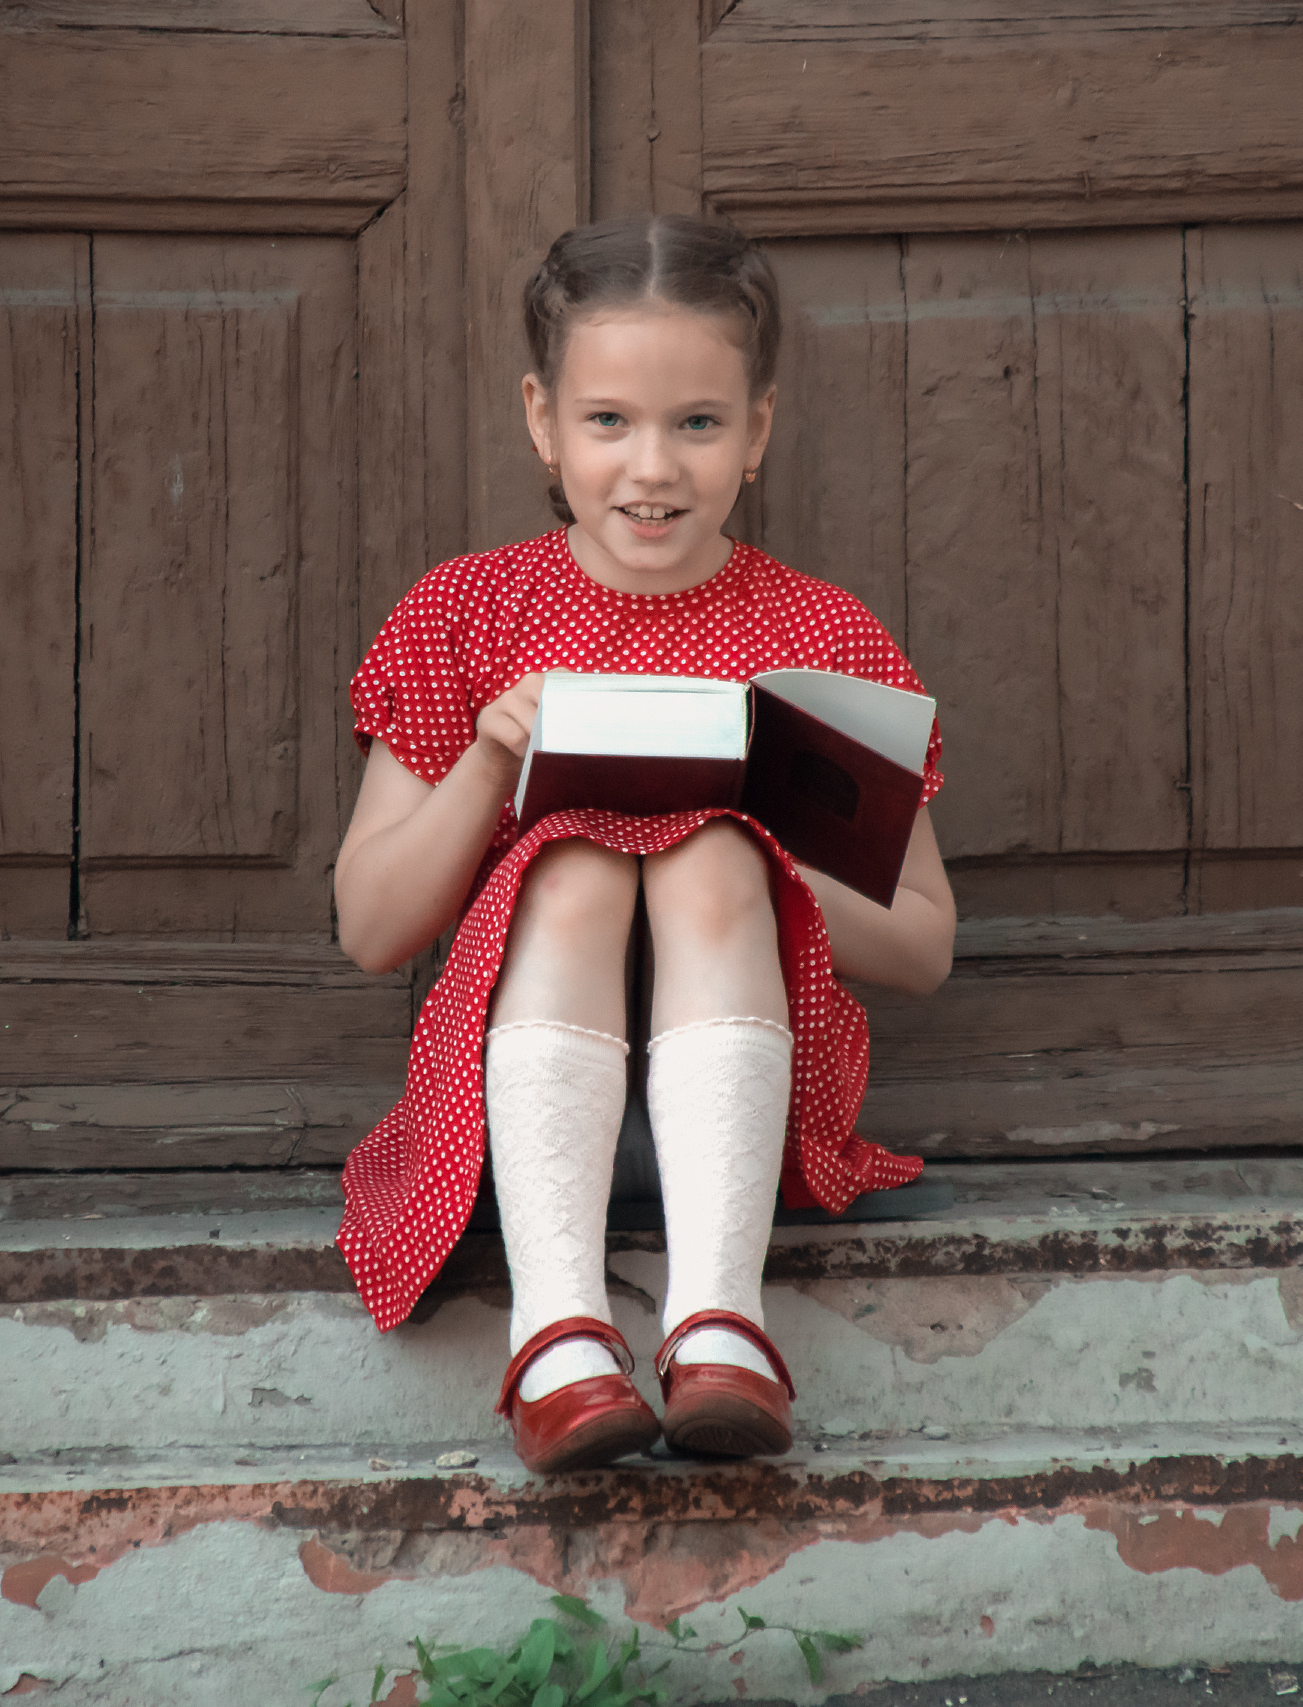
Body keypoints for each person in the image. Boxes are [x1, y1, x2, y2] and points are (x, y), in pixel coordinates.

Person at [332, 213, 958, 1474]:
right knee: (568, 863)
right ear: (540, 421)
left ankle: (720, 1321)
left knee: (712, 853)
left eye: (699, 423)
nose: (651, 467)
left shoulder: (817, 633)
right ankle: (557, 1335)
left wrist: (778, 815)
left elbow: (925, 945)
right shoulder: (466, 611)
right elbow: (369, 929)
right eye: (608, 420)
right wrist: (491, 763)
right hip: (514, 1112)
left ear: (759, 430)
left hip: (742, 1111)